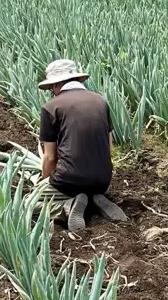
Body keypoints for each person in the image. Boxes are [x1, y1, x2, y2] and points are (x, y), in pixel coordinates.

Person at [37, 58, 128, 233]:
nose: (52, 92)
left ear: (57, 85)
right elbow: (109, 149)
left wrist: (45, 182)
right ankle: (94, 198)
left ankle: (67, 206)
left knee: (28, 204)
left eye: (51, 89)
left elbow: (50, 157)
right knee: (86, 188)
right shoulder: (101, 102)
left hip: (69, 180)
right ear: (77, 80)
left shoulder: (51, 107)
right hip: (103, 180)